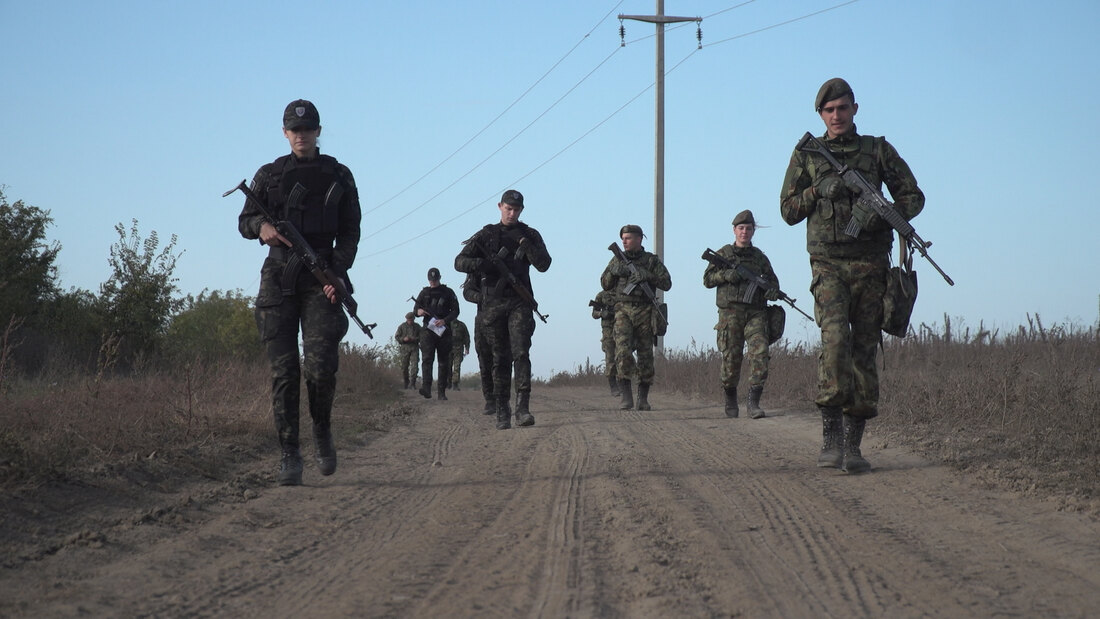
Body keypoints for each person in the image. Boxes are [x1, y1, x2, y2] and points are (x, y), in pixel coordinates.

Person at [780, 77, 925, 474]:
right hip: (827, 263)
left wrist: (880, 212)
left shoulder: (877, 150)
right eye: (829, 110)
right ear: (821, 115)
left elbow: (913, 196)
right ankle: (830, 439)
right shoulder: (808, 154)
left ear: (854, 109)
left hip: (871, 264)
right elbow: (788, 211)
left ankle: (853, 446)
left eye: (842, 108)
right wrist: (819, 190)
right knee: (834, 342)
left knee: (864, 349)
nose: (836, 115)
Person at [237, 99, 361, 486]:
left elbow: (351, 230)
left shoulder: (339, 175)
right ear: (285, 132)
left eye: (307, 129)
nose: (301, 135)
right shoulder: (269, 175)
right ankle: (290, 453)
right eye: (294, 129)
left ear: (318, 131)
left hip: (322, 277)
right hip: (278, 279)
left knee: (321, 368)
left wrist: (336, 272)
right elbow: (244, 220)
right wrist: (262, 228)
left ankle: (321, 431)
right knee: (284, 372)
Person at [455, 189, 552, 430]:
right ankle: (502, 410)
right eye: (508, 208)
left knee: (521, 354)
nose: (512, 212)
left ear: (521, 210)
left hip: (519, 302)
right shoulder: (486, 234)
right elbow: (459, 262)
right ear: (500, 206)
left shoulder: (529, 234)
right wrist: (484, 265)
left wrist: (527, 245)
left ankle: (522, 409)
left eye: (516, 209)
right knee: (499, 359)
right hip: (492, 306)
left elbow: (544, 265)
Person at [703, 210, 780, 419]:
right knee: (731, 358)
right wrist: (727, 274)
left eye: (748, 228)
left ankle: (753, 403)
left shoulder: (760, 258)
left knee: (760, 354)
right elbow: (708, 279)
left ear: (753, 231)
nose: (744, 232)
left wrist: (772, 291)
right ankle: (730, 399)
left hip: (756, 313)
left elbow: (773, 283)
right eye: (741, 228)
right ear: (734, 230)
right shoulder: (724, 254)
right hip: (730, 313)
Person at [600, 224, 672, 411]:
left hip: (646, 311)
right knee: (622, 352)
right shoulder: (616, 260)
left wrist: (646, 275)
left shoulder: (651, 261)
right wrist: (615, 270)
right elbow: (605, 283)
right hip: (623, 310)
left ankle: (643, 398)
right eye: (623, 238)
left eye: (628, 238)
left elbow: (666, 283)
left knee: (645, 355)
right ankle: (626, 396)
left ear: (639, 239)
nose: (624, 241)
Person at [414, 267, 460, 401]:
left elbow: (456, 311)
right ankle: (426, 388)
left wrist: (444, 320)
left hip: (444, 330)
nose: (433, 282)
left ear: (439, 278)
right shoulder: (424, 293)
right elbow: (415, 309)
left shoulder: (448, 292)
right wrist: (419, 312)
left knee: (443, 361)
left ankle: (441, 392)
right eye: (431, 280)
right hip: (428, 330)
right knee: (427, 359)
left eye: (435, 279)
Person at [461, 274, 496, 415]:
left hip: (506, 319)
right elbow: (467, 291)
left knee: (501, 362)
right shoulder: (478, 264)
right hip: (483, 320)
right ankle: (490, 400)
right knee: (484, 361)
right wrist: (482, 297)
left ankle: (502, 400)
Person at [590, 289, 620, 396]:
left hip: (622, 328)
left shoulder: (622, 293)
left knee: (622, 355)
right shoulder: (601, 295)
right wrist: (602, 313)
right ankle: (613, 385)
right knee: (610, 355)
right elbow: (594, 313)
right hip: (608, 329)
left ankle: (622, 382)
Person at [394, 312, 421, 389]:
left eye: (411, 319)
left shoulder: (417, 327)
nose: (410, 321)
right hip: (404, 349)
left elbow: (422, 337)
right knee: (404, 367)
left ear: (413, 319)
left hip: (414, 348)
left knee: (414, 366)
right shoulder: (402, 327)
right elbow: (397, 337)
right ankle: (406, 382)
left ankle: (413, 383)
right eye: (408, 320)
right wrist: (403, 339)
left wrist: (414, 339)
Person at [449, 318, 471, 390]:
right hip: (447, 348)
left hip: (458, 349)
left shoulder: (461, 325)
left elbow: (467, 337)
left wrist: (467, 348)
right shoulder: (446, 324)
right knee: (447, 367)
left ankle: (455, 384)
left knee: (457, 366)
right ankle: (447, 383)